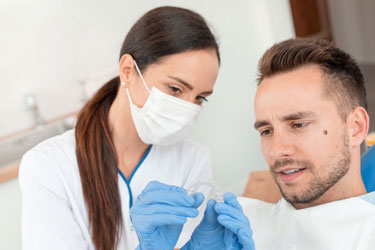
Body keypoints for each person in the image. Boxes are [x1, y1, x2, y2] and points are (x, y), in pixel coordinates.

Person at [131, 38, 375, 249]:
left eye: (298, 124)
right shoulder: (236, 224)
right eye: (266, 130)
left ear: (355, 127)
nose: (277, 150)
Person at [18, 6, 220, 250]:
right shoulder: (50, 166)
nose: (187, 109)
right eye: (175, 89)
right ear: (127, 70)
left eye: (200, 98)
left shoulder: (193, 159)